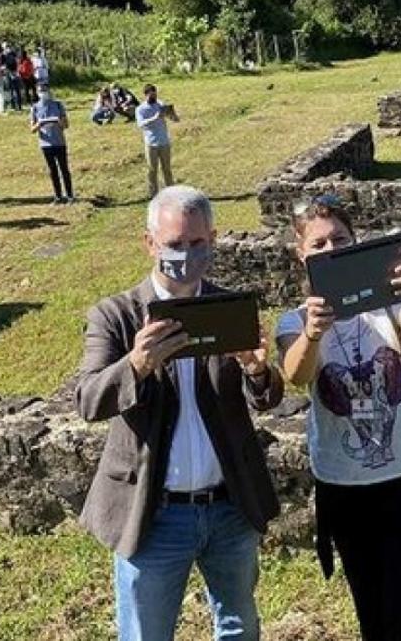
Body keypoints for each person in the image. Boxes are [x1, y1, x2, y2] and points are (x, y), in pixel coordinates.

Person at [74, 185, 284, 641]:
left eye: (196, 243)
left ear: (213, 239)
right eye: (173, 244)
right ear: (150, 243)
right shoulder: (115, 316)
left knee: (239, 627)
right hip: (153, 513)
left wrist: (257, 370)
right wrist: (135, 365)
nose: (185, 255)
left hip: (229, 506)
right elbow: (88, 400)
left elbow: (265, 400)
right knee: (147, 633)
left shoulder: (229, 309)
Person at [275, 195, 401, 641]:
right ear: (301, 254)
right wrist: (313, 333)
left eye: (340, 239)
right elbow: (297, 374)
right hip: (345, 483)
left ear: (355, 242)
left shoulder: (386, 305)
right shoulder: (293, 321)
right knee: (371, 606)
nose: (330, 249)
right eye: (318, 244)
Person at [30, 87, 74, 204]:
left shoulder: (58, 105)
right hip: (45, 144)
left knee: (64, 169)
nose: (43, 93)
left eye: (45, 91)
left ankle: (70, 195)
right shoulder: (35, 107)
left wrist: (59, 122)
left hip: (59, 143)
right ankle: (58, 196)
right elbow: (32, 129)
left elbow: (66, 125)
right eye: (41, 91)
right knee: (52, 171)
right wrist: (39, 124)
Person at [135, 84, 179, 198]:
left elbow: (176, 120)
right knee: (152, 170)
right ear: (145, 95)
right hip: (151, 144)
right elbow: (140, 124)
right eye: (151, 95)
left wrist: (172, 114)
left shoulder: (160, 104)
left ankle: (171, 192)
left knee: (167, 169)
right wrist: (154, 118)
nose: (154, 97)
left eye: (155, 94)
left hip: (164, 142)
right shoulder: (140, 109)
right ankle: (154, 194)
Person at [2, 42, 23, 111]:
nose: (7, 48)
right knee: (13, 90)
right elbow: (18, 61)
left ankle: (17, 106)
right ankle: (15, 106)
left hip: (11, 73)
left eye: (7, 46)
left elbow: (18, 62)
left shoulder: (6, 54)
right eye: (6, 46)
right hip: (11, 73)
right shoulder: (7, 54)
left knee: (14, 89)